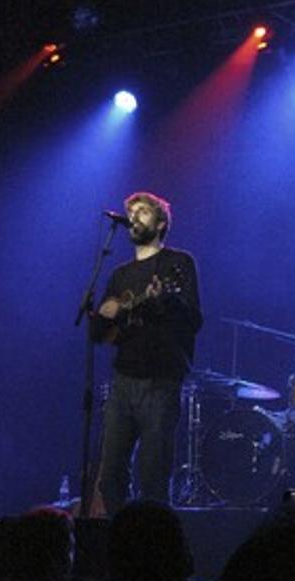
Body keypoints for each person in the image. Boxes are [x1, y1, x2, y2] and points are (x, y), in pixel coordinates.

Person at [91, 192, 202, 514]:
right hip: (122, 381)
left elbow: (194, 319)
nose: (134, 217)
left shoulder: (178, 264)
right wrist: (106, 314)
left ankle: (152, 545)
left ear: (161, 222)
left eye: (143, 211)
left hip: (161, 380)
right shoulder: (120, 275)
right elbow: (100, 334)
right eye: (132, 212)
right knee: (109, 476)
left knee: (153, 476)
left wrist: (162, 301)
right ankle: (117, 540)